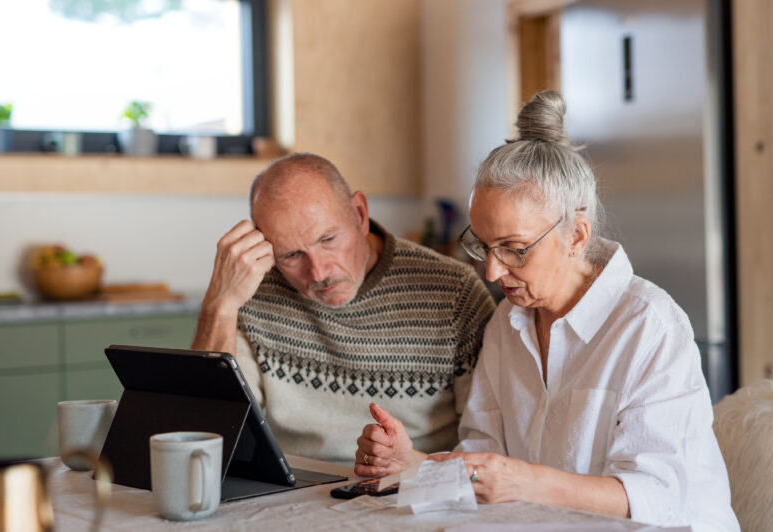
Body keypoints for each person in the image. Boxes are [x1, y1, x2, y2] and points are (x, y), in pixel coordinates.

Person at [354, 92, 739, 531]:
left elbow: (660, 495)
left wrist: (525, 483)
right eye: (482, 244)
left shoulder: (649, 327)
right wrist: (413, 462)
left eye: (514, 249)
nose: (493, 270)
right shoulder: (507, 323)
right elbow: (484, 463)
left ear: (576, 236)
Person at [192, 152, 495, 464]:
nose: (319, 273)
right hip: (291, 493)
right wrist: (220, 305)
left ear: (360, 214)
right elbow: (206, 434)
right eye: (292, 255)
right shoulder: (252, 289)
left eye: (328, 239)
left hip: (413, 490)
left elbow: (488, 447)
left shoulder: (455, 291)